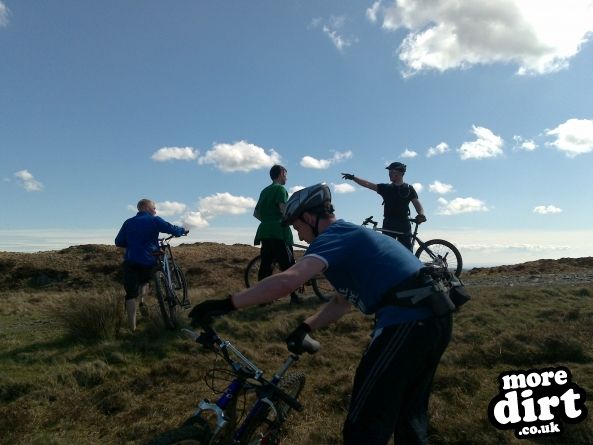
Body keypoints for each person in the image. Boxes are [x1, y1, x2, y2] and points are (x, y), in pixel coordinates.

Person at [189, 183, 454, 445]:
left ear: (309, 217)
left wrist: (226, 304)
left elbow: (286, 282)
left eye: (297, 227)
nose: (301, 236)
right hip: (433, 316)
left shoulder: (333, 237)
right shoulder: (349, 235)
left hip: (407, 322)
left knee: (365, 421)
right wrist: (307, 326)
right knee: (409, 412)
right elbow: (341, 301)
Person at [115, 198, 188, 331]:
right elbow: (171, 229)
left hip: (130, 261)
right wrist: (182, 230)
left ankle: (132, 328)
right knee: (145, 281)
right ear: (147, 208)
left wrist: (133, 244)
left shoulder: (128, 222)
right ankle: (143, 301)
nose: (155, 211)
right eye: (154, 208)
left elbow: (119, 241)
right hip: (148, 260)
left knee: (130, 295)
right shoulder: (154, 220)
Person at [341, 162, 426, 250]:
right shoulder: (386, 188)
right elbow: (368, 184)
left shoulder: (409, 188)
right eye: (389, 172)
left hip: (404, 224)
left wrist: (421, 214)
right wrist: (353, 178)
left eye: (392, 172)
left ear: (400, 173)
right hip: (388, 223)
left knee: (407, 252)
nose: (389, 174)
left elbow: (417, 203)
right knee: (387, 251)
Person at [253, 164, 301, 304]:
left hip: (265, 231)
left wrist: (268, 220)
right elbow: (283, 210)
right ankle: (294, 297)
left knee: (266, 265)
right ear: (280, 174)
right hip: (279, 231)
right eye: (285, 174)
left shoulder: (264, 191)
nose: (287, 177)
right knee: (288, 265)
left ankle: (262, 298)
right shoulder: (280, 189)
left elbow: (256, 213)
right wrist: (292, 221)